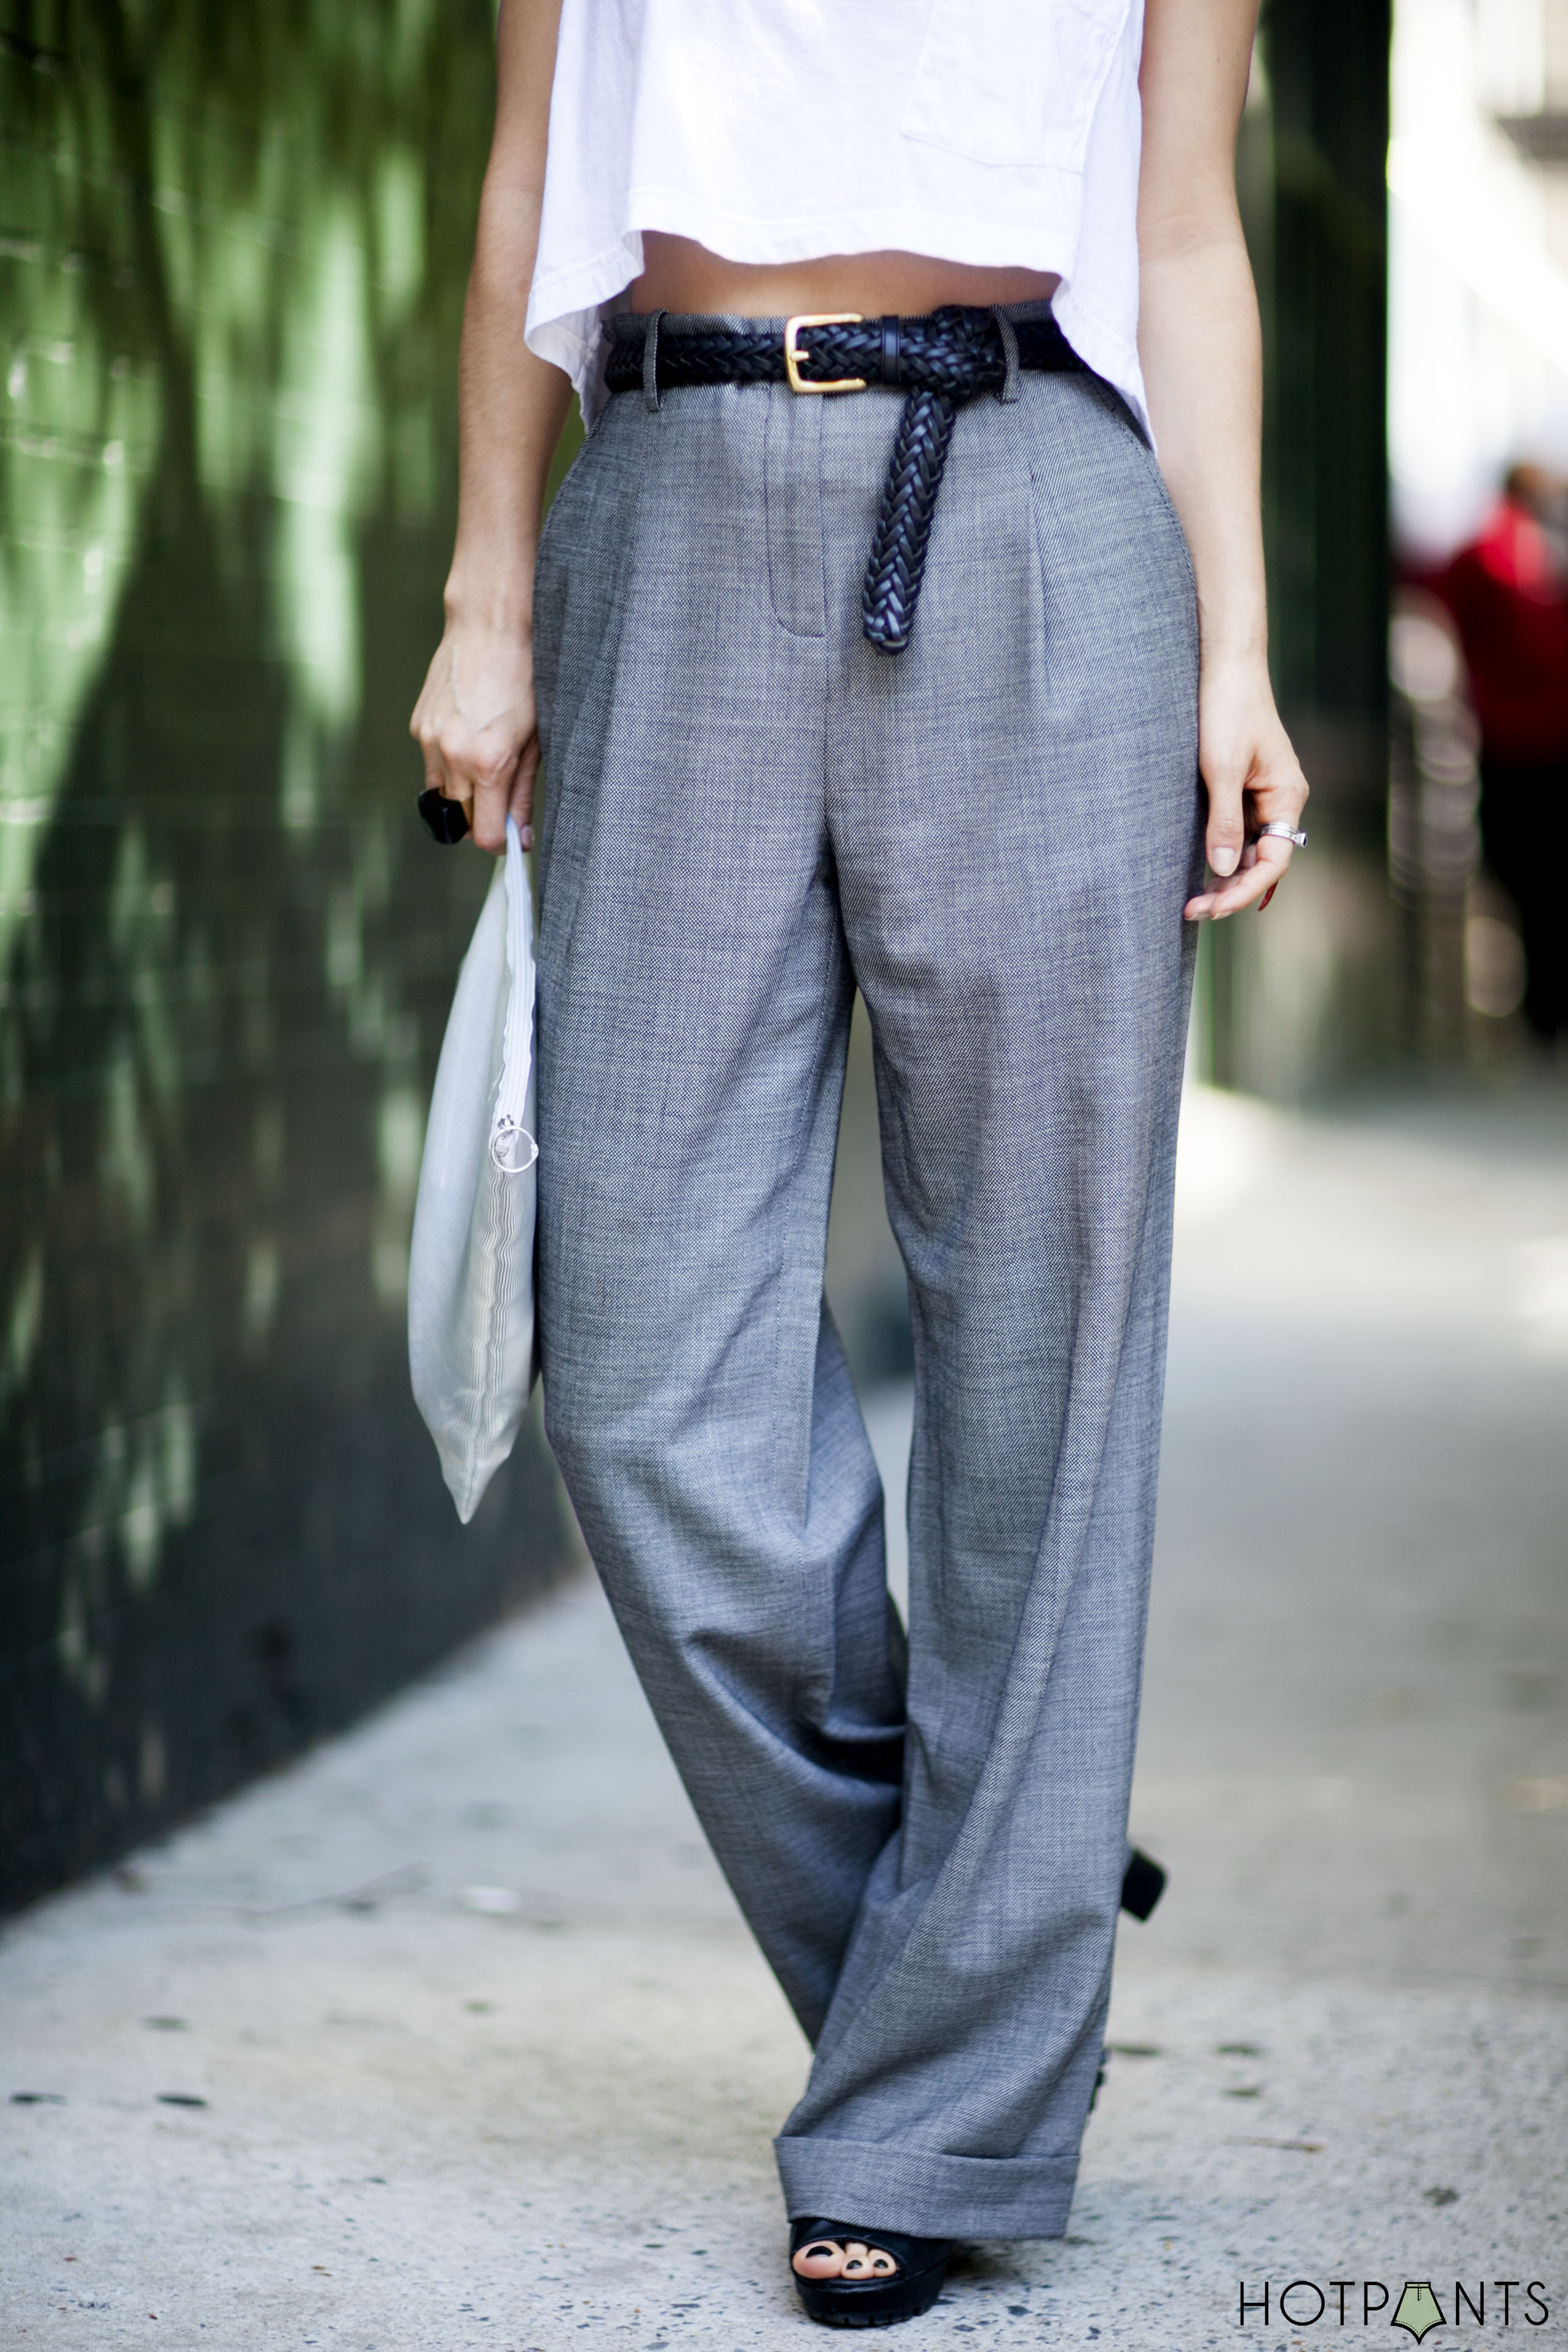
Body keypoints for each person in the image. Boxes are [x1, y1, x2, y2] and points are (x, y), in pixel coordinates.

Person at [412, 0, 1308, 2325]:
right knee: (630, 1360)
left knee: (1044, 1338)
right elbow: (532, 179)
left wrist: (1243, 652)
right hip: (676, 497)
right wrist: (485, 596)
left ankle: (930, 2113)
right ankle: (990, 1891)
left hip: (1034, 507)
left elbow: (1189, 230)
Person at [1435, 463, 1568, 1047]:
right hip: (1529, 749)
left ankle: (1544, 1017)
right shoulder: (1501, 553)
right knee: (1540, 885)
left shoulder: (1494, 550)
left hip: (1518, 750)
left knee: (1533, 884)